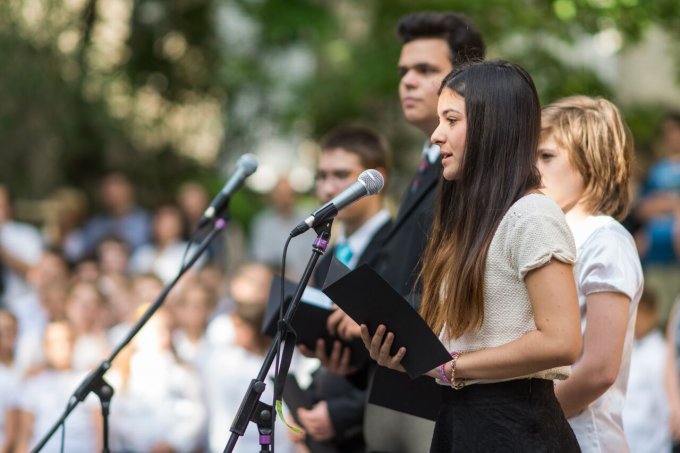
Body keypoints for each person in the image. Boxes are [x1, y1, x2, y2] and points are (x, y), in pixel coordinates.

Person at [362, 60, 583, 452]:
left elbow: (562, 341)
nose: (435, 136)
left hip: (516, 428)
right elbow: (464, 337)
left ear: (491, 127)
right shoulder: (472, 221)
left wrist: (451, 367)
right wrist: (406, 353)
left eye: (451, 120)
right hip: (459, 419)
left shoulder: (532, 215)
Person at [346, 12, 486, 452]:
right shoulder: (426, 165)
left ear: (466, 82)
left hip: (444, 395)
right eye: (404, 70)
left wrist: (377, 316)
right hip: (396, 380)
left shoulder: (476, 175)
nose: (407, 81)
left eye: (425, 70)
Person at [537, 95, 644, 451]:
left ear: (591, 163)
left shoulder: (605, 239)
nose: (532, 169)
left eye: (547, 156)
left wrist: (532, 422)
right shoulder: (549, 234)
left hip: (583, 439)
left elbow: (598, 369)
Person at [294, 125, 392, 452]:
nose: (328, 188)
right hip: (323, 421)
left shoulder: (396, 248)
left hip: (374, 428)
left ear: (375, 177)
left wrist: (343, 414)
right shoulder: (326, 257)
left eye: (340, 175)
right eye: (321, 176)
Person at [634, 111, 680, 321]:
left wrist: (669, 204)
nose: (670, 136)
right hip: (653, 257)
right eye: (666, 132)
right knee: (653, 318)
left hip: (675, 258)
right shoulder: (657, 170)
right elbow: (642, 208)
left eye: (673, 131)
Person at [624, 286, 670, 453]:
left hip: (651, 446)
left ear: (653, 315)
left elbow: (666, 408)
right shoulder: (627, 348)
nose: (636, 318)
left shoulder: (660, 354)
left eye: (641, 312)